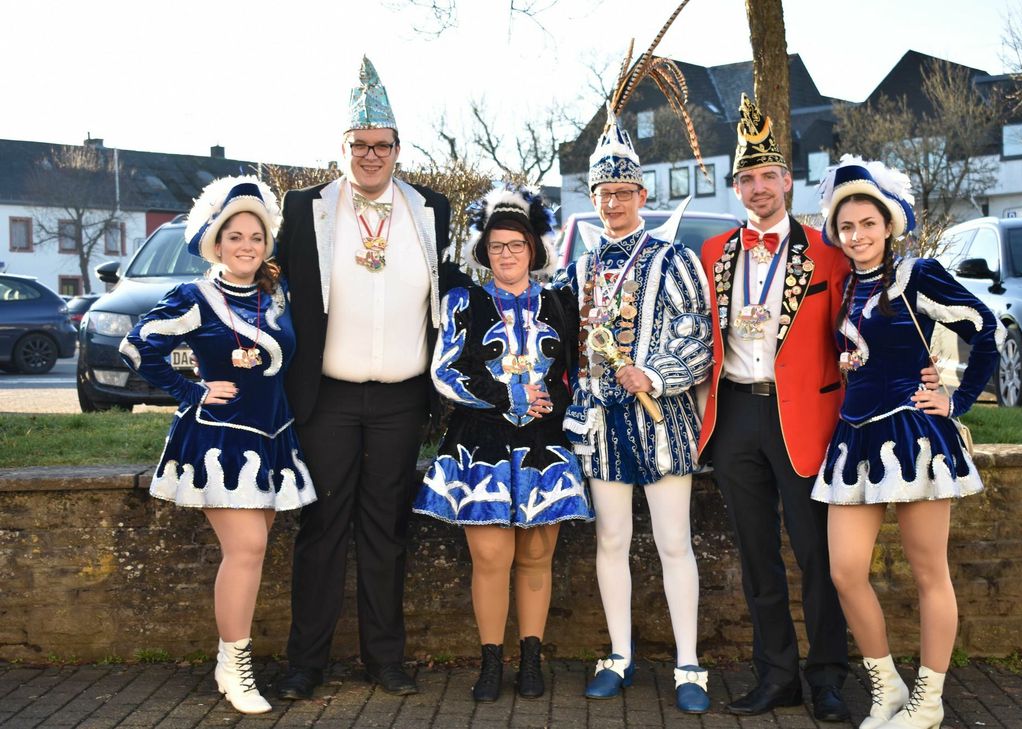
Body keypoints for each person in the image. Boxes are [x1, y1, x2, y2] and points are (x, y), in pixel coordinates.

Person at [273, 54, 465, 700]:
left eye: (382, 145)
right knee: (322, 527)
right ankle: (307, 662)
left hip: (402, 400)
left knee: (387, 528)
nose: (371, 155)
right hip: (325, 396)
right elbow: (268, 285)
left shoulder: (430, 209)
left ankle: (385, 659)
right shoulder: (306, 209)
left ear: (399, 149)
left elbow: (454, 291)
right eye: (360, 144)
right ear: (343, 147)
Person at [811, 156, 1001, 729]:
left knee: (928, 571)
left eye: (868, 223)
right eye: (847, 227)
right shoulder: (844, 287)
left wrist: (956, 399)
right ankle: (888, 685)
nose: (858, 235)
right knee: (845, 571)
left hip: (915, 438)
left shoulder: (918, 274)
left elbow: (985, 328)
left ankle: (930, 698)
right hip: (854, 441)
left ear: (889, 223)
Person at [120, 175, 317, 715]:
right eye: (236, 237)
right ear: (216, 241)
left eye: (256, 236)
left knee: (251, 553)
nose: (247, 246)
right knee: (247, 548)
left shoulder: (274, 296)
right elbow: (137, 345)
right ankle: (234, 665)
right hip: (218, 443)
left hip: (273, 438)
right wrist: (194, 390)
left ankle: (231, 654)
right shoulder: (195, 296)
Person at [555, 74, 714, 712]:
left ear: (642, 193)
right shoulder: (580, 268)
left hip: (661, 422)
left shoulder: (674, 259)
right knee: (611, 541)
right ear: (592, 196)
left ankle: (689, 666)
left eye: (623, 192)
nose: (614, 203)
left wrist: (653, 373)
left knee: (674, 542)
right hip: (599, 424)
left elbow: (701, 342)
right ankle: (618, 655)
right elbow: (565, 348)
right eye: (604, 193)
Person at [696, 94, 852, 722]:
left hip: (806, 422)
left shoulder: (829, 254)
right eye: (747, 179)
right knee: (756, 553)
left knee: (816, 554)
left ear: (788, 181)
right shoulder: (713, 256)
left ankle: (829, 677)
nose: (758, 188)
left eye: (768, 176)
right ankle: (776, 675)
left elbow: (857, 331)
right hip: (734, 414)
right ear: (736, 188)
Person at [413, 186, 593, 702]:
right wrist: (506, 394)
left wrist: (553, 405)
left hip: (544, 445)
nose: (508, 254)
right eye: (497, 246)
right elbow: (445, 372)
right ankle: (491, 661)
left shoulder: (561, 301)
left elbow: (575, 372)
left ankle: (531, 659)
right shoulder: (464, 303)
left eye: (517, 244)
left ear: (534, 249)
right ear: (484, 252)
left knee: (537, 556)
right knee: (490, 556)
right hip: (480, 444)